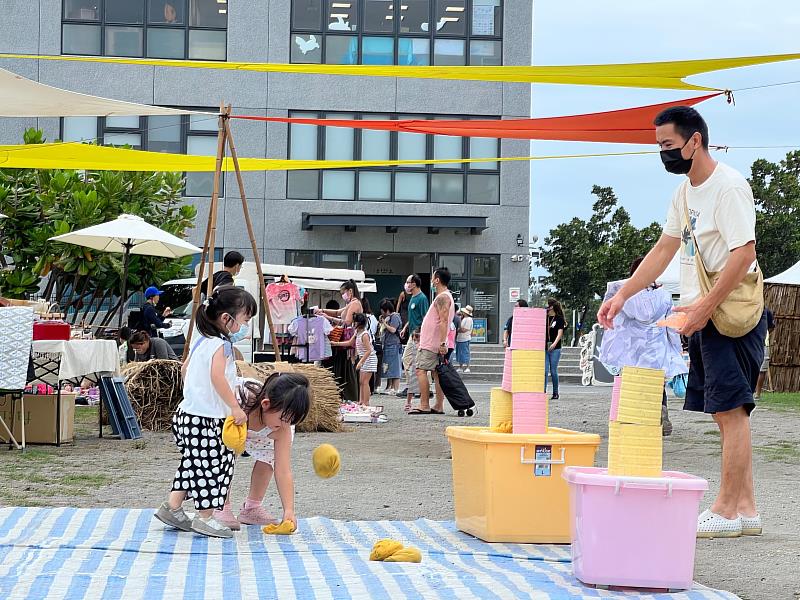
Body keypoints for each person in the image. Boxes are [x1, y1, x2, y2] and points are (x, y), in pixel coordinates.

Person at [598, 106, 766, 539]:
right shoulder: (685, 193)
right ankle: (746, 507)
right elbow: (663, 249)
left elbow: (743, 254)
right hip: (702, 313)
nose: (664, 154)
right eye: (659, 147)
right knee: (724, 412)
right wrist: (622, 295)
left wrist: (703, 310)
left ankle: (726, 510)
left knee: (731, 410)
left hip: (730, 314)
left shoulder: (728, 187)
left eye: (668, 145)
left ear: (695, 141)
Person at [153, 286, 257, 539]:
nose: (245, 326)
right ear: (226, 319)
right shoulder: (222, 346)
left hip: (187, 415)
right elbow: (217, 376)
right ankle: (206, 517)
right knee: (213, 467)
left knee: (192, 463)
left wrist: (195, 395)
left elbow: (185, 369)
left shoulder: (202, 341)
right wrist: (234, 406)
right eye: (245, 319)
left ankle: (173, 507)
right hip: (207, 419)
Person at [599, 257, 689, 435]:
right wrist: (677, 348)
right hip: (657, 347)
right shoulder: (664, 295)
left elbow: (617, 320)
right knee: (657, 384)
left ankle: (636, 418)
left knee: (633, 383)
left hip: (632, 347)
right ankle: (660, 409)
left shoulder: (625, 295)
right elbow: (670, 325)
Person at [213, 373, 311, 530]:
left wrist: (289, 510)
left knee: (269, 460)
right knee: (225, 455)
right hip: (233, 425)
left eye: (291, 421)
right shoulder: (242, 399)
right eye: (284, 419)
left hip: (263, 435)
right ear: (265, 404)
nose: (286, 426)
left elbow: (283, 470)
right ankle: (221, 505)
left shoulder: (282, 427)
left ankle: (252, 507)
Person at [410, 267, 454, 415]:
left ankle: (424, 404)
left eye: (433, 277)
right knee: (436, 373)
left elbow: (443, 320)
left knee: (421, 370)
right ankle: (438, 405)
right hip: (433, 341)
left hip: (431, 343)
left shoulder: (443, 297)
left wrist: (442, 343)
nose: (430, 281)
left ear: (437, 280)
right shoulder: (442, 297)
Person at [332, 313, 376, 406]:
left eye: (355, 322)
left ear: (359, 323)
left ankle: (366, 402)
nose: (353, 323)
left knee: (365, 382)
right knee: (361, 382)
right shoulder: (357, 333)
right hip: (364, 359)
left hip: (369, 359)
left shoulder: (364, 335)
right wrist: (336, 343)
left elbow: (369, 350)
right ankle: (361, 401)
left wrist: (360, 362)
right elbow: (349, 343)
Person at [398, 274, 429, 399]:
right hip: (411, 334)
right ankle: (412, 387)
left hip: (418, 336)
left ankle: (421, 388)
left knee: (418, 363)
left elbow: (425, 318)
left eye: (408, 282)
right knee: (408, 361)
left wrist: (420, 333)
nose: (406, 284)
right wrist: (405, 328)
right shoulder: (412, 298)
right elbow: (412, 318)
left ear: (414, 284)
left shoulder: (422, 298)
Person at [379, 299, 403, 393]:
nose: (381, 313)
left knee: (395, 368)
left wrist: (384, 323)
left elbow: (393, 330)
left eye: (382, 310)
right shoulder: (389, 317)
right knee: (388, 367)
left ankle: (395, 388)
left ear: (387, 310)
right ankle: (389, 387)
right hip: (388, 344)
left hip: (394, 345)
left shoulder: (395, 317)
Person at [545, 298, 566, 400]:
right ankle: (543, 392)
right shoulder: (544, 318)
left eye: (548, 305)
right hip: (544, 347)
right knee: (544, 371)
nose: (546, 308)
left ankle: (555, 392)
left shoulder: (559, 319)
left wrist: (554, 344)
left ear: (552, 306)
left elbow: (560, 333)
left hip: (555, 348)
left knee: (553, 370)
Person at [754, 307, 776, 400]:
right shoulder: (748, 309)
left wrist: (764, 334)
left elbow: (771, 327)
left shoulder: (767, 312)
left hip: (763, 344)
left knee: (762, 369)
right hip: (750, 344)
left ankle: (757, 394)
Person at [456, 305, 474, 373]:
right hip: (460, 338)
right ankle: (461, 367)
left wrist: (457, 330)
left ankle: (467, 367)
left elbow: (464, 329)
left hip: (464, 338)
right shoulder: (463, 318)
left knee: (465, 353)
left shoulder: (468, 319)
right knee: (460, 353)